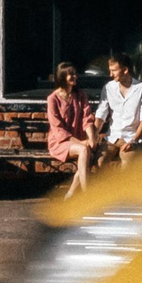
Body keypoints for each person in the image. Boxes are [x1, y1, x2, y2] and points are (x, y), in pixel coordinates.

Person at [44, 60, 95, 194]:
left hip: (80, 141)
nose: (75, 77)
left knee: (91, 154)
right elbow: (57, 128)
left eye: (75, 74)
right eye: (71, 75)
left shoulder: (80, 95)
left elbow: (87, 118)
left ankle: (71, 192)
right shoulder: (53, 99)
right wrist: (81, 143)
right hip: (60, 142)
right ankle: (87, 193)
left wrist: (91, 138)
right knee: (84, 150)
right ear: (62, 77)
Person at [99, 51, 142, 167]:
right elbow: (101, 114)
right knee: (100, 161)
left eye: (114, 71)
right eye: (110, 71)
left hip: (131, 137)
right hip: (112, 137)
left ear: (125, 70)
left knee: (128, 164)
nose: (111, 75)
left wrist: (133, 140)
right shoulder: (108, 87)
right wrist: (93, 135)